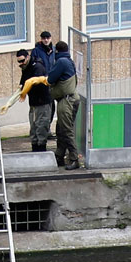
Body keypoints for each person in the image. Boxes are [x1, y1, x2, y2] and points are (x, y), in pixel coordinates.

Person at [48, 40, 83, 170]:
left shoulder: (61, 62)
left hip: (67, 101)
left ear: (56, 51)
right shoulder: (68, 61)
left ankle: (74, 159)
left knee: (66, 131)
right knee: (61, 130)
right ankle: (59, 156)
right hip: (70, 99)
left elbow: (50, 78)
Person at [17, 45, 53, 153]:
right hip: (33, 102)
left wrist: (23, 92)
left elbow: (32, 82)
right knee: (33, 126)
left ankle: (41, 148)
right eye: (19, 62)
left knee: (41, 125)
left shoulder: (37, 67)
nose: (21, 63)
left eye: (22, 60)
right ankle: (35, 147)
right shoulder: (26, 67)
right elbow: (23, 82)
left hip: (42, 101)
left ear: (27, 57)